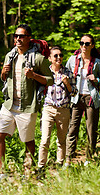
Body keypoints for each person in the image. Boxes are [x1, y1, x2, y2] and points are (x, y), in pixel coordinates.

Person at [0, 24, 53, 185]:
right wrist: (3, 73)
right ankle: (2, 174)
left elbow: (51, 79)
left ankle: (28, 173)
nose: (18, 39)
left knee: (28, 141)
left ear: (29, 38)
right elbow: (4, 78)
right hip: (9, 104)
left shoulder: (38, 59)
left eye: (22, 36)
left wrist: (33, 75)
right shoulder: (10, 56)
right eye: (16, 36)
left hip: (27, 106)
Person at [65, 34, 100, 164]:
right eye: (82, 43)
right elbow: (65, 73)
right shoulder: (73, 60)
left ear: (92, 45)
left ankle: (90, 157)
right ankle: (68, 158)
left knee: (91, 129)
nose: (84, 46)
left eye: (87, 43)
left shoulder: (97, 63)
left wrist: (97, 79)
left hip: (91, 98)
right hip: (76, 97)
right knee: (72, 128)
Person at [37, 46, 76, 174]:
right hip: (48, 108)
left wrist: (67, 84)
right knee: (44, 139)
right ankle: (41, 168)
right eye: (55, 56)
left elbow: (74, 93)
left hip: (63, 110)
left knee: (61, 140)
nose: (58, 58)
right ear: (50, 58)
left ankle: (60, 165)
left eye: (60, 55)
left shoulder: (68, 73)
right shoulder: (45, 73)